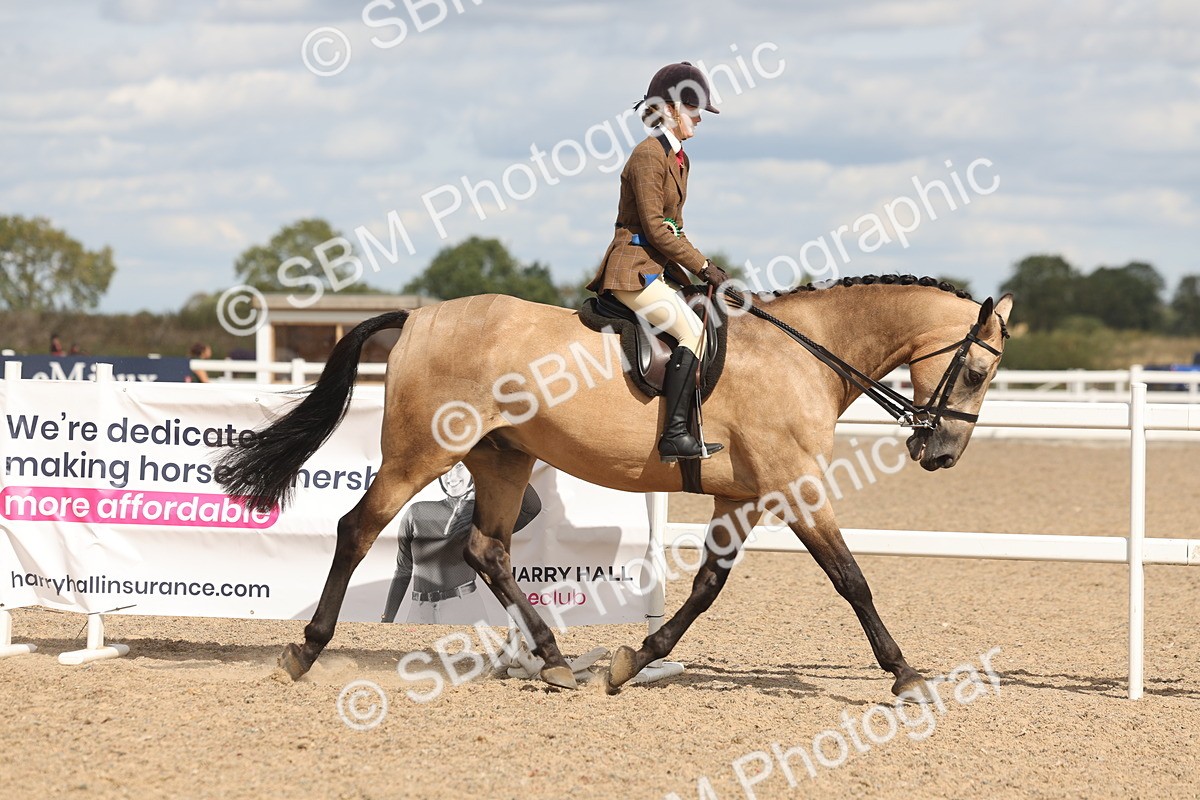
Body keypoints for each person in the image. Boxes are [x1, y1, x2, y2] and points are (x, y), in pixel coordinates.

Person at [585, 62, 729, 463]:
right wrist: (702, 267)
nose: (699, 117)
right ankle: (675, 434)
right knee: (693, 333)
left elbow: (675, 228)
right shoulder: (648, 155)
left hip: (657, 267)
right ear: (668, 109)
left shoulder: (679, 158)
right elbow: (654, 228)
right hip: (632, 269)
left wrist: (700, 270)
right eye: (692, 109)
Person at [382, 462, 542, 624]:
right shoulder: (416, 513)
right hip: (419, 609)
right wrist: (387, 619)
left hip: (464, 607)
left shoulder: (482, 517)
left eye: (459, 467)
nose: (452, 476)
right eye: (447, 469)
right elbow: (403, 570)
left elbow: (531, 508)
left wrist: (500, 462)